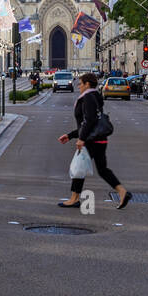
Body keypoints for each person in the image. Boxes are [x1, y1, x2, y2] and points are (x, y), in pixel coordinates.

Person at [57, 72, 131, 210]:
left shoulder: (88, 97)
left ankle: (74, 198)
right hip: (99, 139)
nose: (78, 86)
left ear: (87, 84)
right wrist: (70, 135)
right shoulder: (94, 96)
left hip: (91, 140)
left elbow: (89, 121)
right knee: (102, 169)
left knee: (79, 168)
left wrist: (81, 138)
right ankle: (122, 191)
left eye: (81, 83)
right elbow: (90, 122)